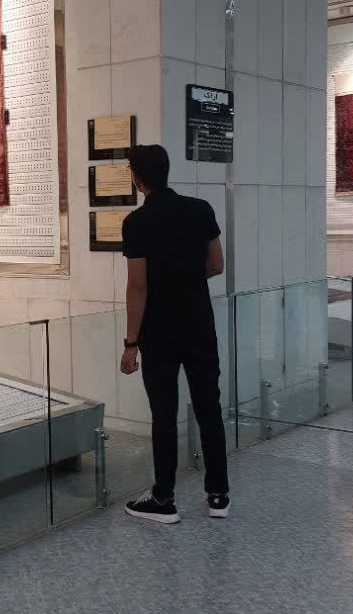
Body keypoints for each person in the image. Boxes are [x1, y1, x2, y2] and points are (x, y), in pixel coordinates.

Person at [119, 144, 229, 524]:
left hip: (159, 333)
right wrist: (187, 279)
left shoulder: (136, 222)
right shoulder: (200, 210)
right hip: (199, 325)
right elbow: (217, 264)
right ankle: (218, 496)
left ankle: (164, 499)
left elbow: (138, 287)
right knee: (209, 409)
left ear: (137, 178)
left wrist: (131, 344)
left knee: (164, 415)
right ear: (166, 171)